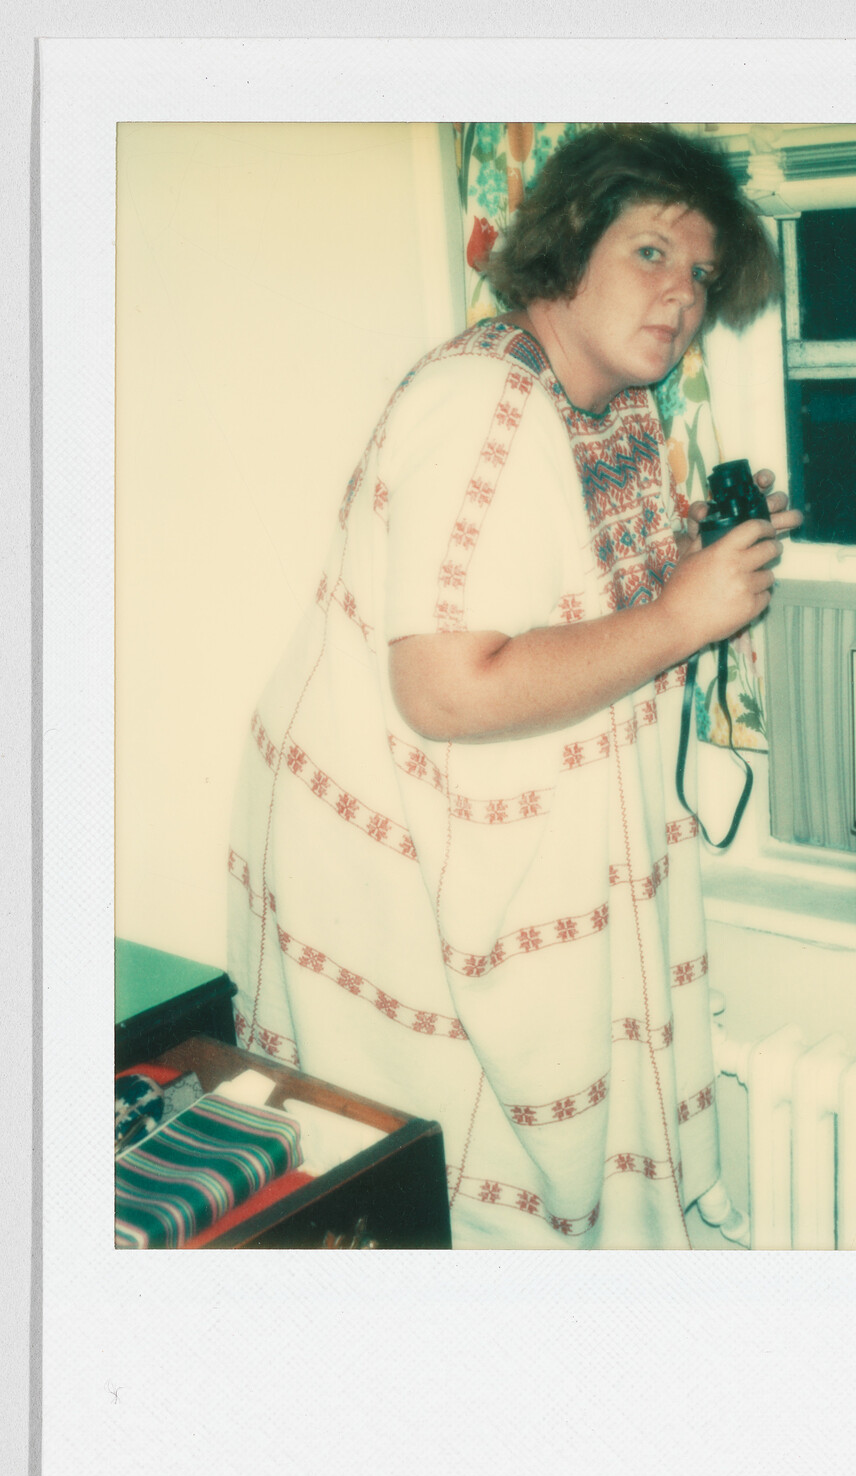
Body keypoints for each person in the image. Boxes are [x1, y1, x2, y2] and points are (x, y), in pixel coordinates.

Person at [227, 125, 802, 1247]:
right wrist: (678, 615)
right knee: (459, 1210)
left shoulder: (614, 404)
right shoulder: (479, 404)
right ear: (570, 242)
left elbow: (566, 596)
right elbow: (444, 689)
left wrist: (691, 567)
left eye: (701, 275)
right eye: (651, 253)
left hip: (510, 843)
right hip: (400, 872)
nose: (681, 297)